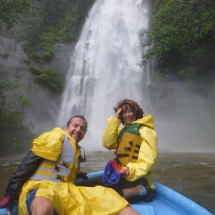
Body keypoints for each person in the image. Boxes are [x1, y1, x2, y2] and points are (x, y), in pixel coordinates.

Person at [0, 115, 140, 215]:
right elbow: (28, 164)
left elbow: (59, 167)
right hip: (42, 186)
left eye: (83, 128)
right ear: (66, 127)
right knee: (43, 209)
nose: (78, 130)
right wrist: (11, 193)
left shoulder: (75, 150)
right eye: (75, 126)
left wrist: (76, 173)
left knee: (109, 197)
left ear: (85, 134)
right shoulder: (56, 136)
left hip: (67, 190)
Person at [79, 99, 158, 203]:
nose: (127, 115)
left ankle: (142, 190)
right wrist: (115, 121)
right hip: (120, 175)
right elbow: (107, 143)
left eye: (130, 111)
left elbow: (149, 158)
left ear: (136, 112)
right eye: (123, 112)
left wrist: (131, 170)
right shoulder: (122, 131)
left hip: (136, 177)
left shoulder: (146, 131)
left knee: (105, 197)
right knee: (84, 185)